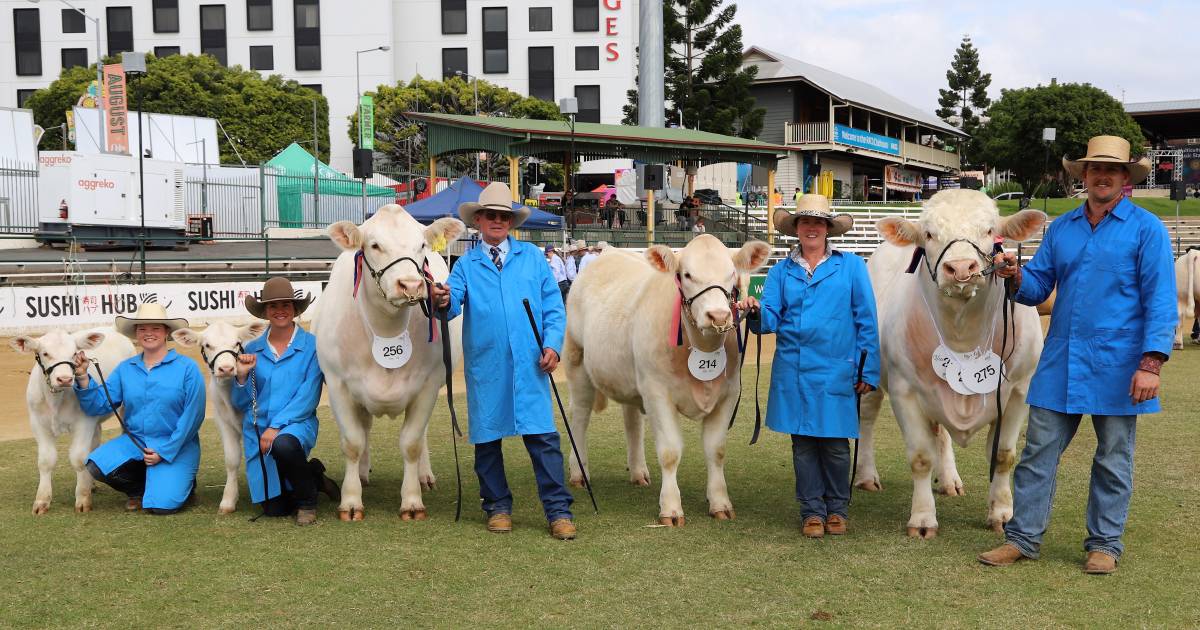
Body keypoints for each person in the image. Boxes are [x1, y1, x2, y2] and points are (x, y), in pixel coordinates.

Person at [980, 135, 1177, 575]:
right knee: (1036, 454)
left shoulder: (1147, 229)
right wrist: (1015, 275)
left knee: (1113, 457)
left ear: (1126, 179)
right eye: (1093, 169)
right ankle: (1023, 538)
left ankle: (1105, 544)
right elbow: (1037, 290)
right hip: (1062, 359)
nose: (1101, 176)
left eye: (1111, 170)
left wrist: (1151, 363)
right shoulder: (1062, 229)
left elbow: (1160, 299)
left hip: (1121, 363)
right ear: (1083, 177)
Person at [430, 182, 576, 540]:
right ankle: (497, 507)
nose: (496, 221)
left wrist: (553, 345)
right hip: (488, 366)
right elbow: (452, 304)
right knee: (487, 441)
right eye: (490, 215)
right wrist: (442, 299)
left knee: (544, 440)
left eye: (503, 216)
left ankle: (558, 511)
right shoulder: (465, 265)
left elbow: (555, 310)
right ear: (478, 220)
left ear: (511, 222)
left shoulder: (533, 259)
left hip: (531, 364)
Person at [737, 194, 880, 538]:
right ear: (796, 229)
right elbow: (770, 317)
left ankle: (837, 509)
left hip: (838, 369)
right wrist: (756, 311)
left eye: (818, 222)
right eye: (805, 222)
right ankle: (812, 511)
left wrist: (869, 369)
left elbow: (867, 322)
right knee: (802, 446)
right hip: (795, 369)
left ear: (828, 229)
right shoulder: (781, 272)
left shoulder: (852, 267)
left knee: (834, 445)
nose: (812, 228)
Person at [74, 303, 206, 514]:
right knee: (95, 465)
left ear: (166, 333)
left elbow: (193, 416)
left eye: (155, 328)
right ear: (136, 334)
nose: (148, 333)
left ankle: (185, 487)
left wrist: (164, 452)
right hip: (136, 441)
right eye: (142, 329)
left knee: (161, 507)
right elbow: (99, 404)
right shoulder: (126, 368)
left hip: (176, 444)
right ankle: (139, 489)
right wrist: (81, 376)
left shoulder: (188, 368)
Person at [233, 277, 339, 525]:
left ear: (295, 309)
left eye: (285, 305)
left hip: (296, 423)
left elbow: (308, 395)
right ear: (265, 312)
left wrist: (276, 426)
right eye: (273, 306)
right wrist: (240, 376)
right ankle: (313, 476)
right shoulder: (251, 348)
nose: (279, 310)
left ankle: (307, 503)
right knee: (275, 509)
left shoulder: (313, 346)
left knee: (283, 445)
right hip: (257, 430)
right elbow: (241, 402)